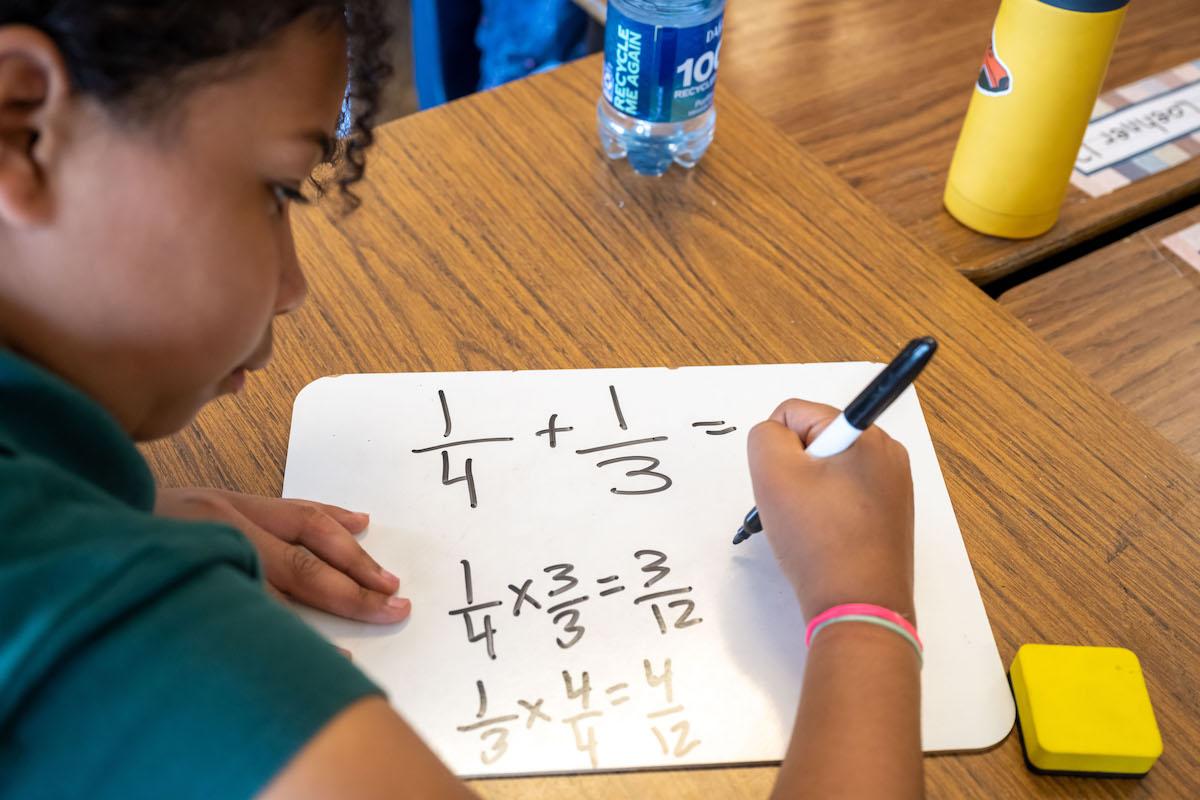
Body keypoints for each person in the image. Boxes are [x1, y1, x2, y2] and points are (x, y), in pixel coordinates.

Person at [0, 3, 922, 797]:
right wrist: (862, 609)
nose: (292, 286)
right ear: (22, 122)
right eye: (279, 189)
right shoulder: (112, 635)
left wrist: (118, 507)